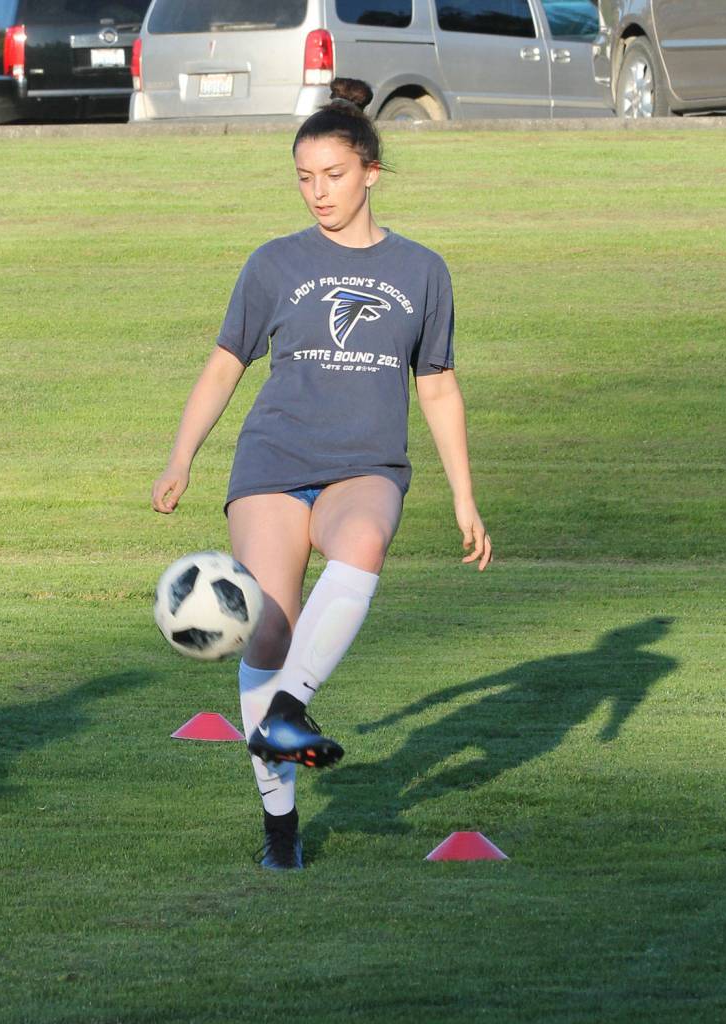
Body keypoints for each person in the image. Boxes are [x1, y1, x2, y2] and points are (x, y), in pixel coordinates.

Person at [152, 78, 492, 871]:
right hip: (272, 460)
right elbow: (225, 364)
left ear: (370, 170)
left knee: (364, 539)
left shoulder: (421, 270)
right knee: (270, 628)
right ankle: (280, 829)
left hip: (365, 465)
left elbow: (437, 386)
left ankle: (287, 712)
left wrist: (465, 497)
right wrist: (181, 456)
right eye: (303, 178)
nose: (318, 192)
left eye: (332, 175)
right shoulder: (273, 263)